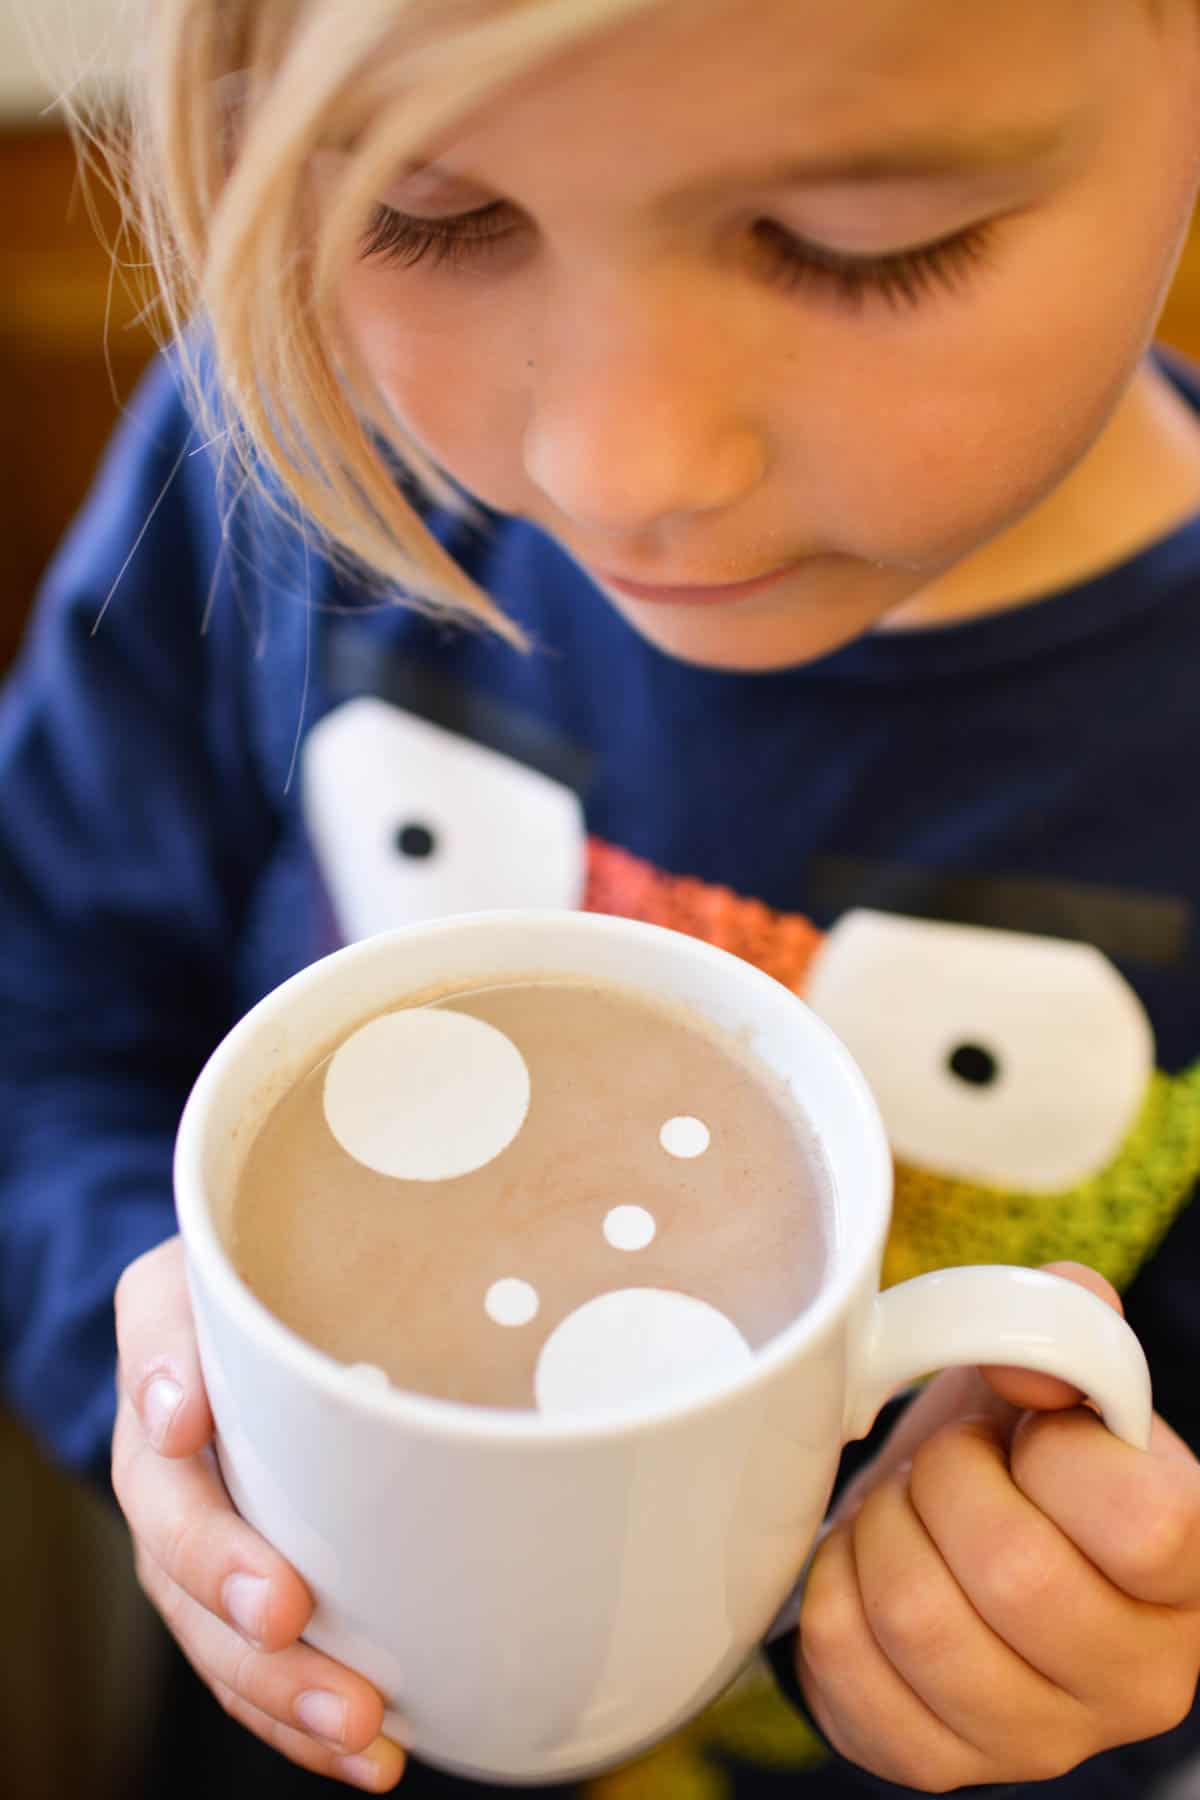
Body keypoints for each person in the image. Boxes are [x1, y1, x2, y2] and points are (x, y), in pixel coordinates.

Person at [3, 0, 1200, 1795]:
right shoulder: (259, 471)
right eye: (424, 218)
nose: (627, 468)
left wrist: (1122, 1614)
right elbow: (36, 1028)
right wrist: (156, 1361)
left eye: (858, 245)